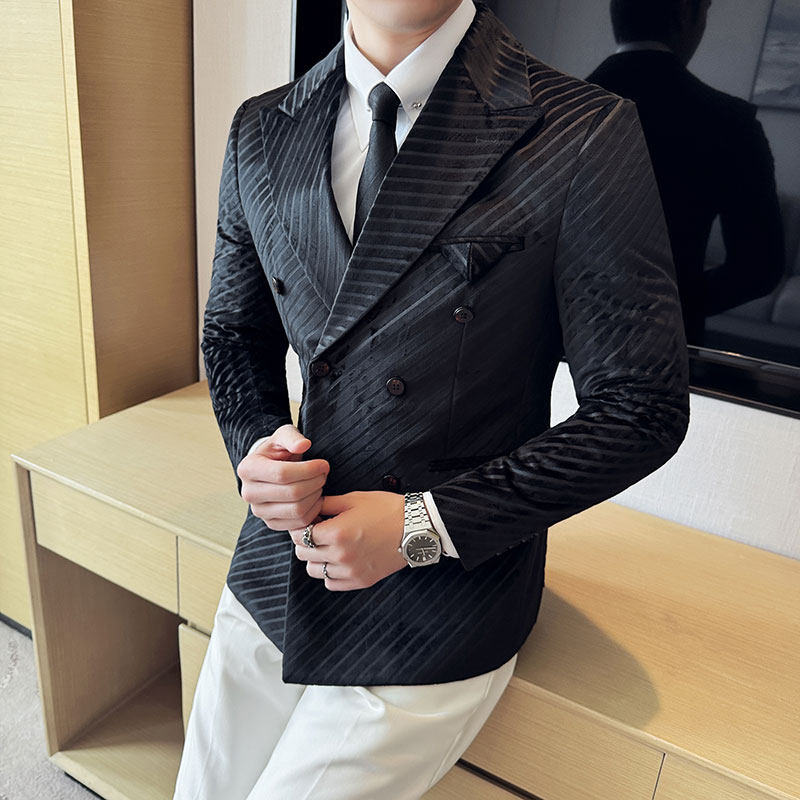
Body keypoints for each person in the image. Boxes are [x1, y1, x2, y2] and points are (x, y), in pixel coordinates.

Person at [173, 1, 690, 798]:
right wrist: (258, 446)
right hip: (281, 560)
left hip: (442, 598)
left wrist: (420, 527)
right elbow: (233, 331)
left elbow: (640, 408)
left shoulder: (580, 129)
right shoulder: (261, 128)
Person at [587, 0, 785, 345]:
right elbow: (760, 268)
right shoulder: (731, 123)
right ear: (685, 14)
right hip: (662, 345)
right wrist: (665, 306)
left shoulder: (554, 111)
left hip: (552, 343)